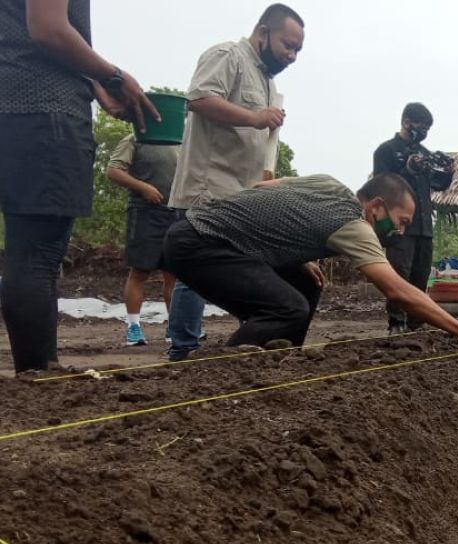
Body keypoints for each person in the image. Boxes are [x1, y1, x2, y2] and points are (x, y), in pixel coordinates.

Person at [163, 173, 458, 351]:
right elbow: (397, 291)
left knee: (305, 283)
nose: (399, 233)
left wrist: (294, 256)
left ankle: (279, 361)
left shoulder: (328, 183)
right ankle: (222, 371)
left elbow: (262, 187)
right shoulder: (355, 225)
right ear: (377, 207)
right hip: (201, 242)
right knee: (288, 309)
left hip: (203, 233)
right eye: (401, 222)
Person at [1, 0, 156, 375]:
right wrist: (114, 76)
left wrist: (88, 78)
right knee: (36, 253)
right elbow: (48, 28)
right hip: (41, 109)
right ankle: (38, 376)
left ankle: (38, 370)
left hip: (15, 105)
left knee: (28, 253)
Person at [166, 3, 304, 361]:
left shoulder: (270, 84)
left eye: (297, 50)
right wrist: (255, 118)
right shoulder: (228, 55)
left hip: (239, 197)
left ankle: (247, 341)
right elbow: (198, 98)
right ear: (263, 33)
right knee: (193, 274)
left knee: (238, 271)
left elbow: (262, 149)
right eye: (287, 45)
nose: (291, 56)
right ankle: (183, 349)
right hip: (206, 188)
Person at [372, 102, 454, 333]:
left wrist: (447, 175)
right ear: (407, 122)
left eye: (428, 128)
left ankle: (417, 324)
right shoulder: (386, 150)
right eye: (422, 126)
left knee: (420, 275)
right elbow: (381, 185)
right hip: (400, 225)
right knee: (400, 275)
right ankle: (396, 323)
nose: (425, 132)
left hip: (424, 225)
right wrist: (406, 169)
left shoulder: (424, 153)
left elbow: (437, 185)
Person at [106, 133, 180, 346]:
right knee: (139, 271)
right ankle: (134, 327)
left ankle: (174, 327)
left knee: (174, 273)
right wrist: (143, 187)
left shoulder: (181, 139)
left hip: (175, 211)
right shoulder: (135, 138)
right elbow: (113, 170)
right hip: (144, 211)